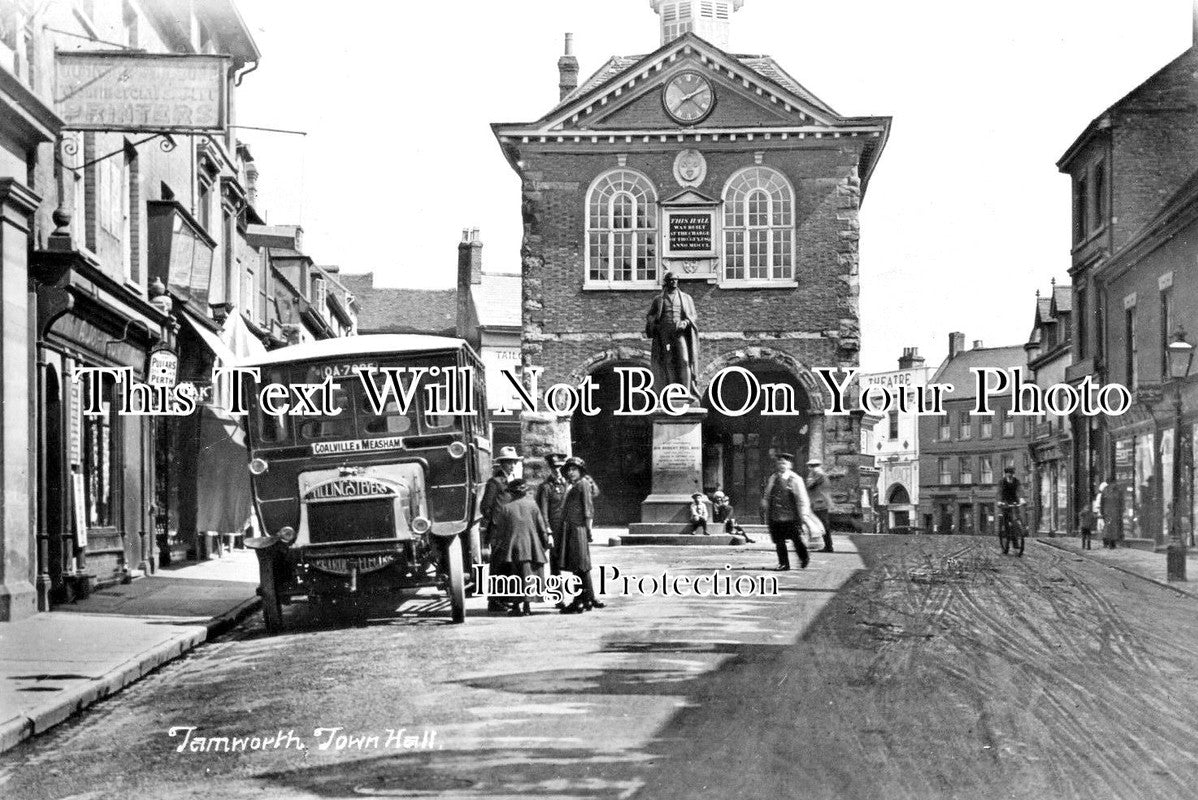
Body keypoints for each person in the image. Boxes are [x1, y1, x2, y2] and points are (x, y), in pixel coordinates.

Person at [488, 478, 552, 616]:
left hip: (513, 548)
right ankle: (527, 606)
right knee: (529, 574)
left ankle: (516, 606)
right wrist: (545, 543)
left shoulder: (505, 508)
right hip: (531, 546)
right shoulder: (533, 505)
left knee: (514, 576)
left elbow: (501, 532)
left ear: (511, 493)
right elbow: (541, 527)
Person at [557, 457, 605, 613]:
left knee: (579, 564)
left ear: (580, 471)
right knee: (578, 565)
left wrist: (588, 529)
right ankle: (586, 598)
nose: (571, 473)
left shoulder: (583, 483)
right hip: (572, 528)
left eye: (574, 470)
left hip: (578, 528)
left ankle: (579, 600)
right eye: (569, 470)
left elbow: (588, 508)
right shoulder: (574, 485)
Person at [644, 271, 701, 397]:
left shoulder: (686, 298)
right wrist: (655, 324)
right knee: (668, 361)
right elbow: (650, 315)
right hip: (665, 333)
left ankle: (685, 392)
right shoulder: (659, 299)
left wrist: (685, 322)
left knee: (685, 360)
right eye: (671, 280)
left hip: (679, 333)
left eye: (675, 279)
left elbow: (693, 315)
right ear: (666, 281)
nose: (673, 282)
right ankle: (672, 390)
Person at [481, 446, 522, 611]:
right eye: (508, 463)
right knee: (498, 566)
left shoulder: (513, 480)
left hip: (511, 530)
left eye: (513, 462)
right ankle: (494, 601)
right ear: (501, 464)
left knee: (508, 565)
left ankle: (505, 598)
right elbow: (486, 506)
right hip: (499, 531)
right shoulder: (495, 482)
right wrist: (495, 522)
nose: (511, 465)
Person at [760, 453, 811, 570]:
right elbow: (767, 494)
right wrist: (765, 502)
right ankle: (783, 563)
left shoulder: (796, 479)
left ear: (790, 465)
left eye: (784, 463)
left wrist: (804, 514)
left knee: (796, 539)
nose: (781, 465)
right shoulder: (773, 478)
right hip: (775, 515)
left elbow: (803, 499)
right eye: (779, 463)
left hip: (791, 516)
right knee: (779, 541)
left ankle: (804, 557)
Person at [806, 458, 834, 552]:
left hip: (819, 503)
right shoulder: (819, 475)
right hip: (818, 502)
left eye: (814, 466)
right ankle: (827, 545)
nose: (812, 468)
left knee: (823, 525)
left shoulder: (819, 475)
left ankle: (828, 546)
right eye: (811, 466)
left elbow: (810, 485)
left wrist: (810, 478)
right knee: (821, 524)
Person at [997, 465, 1022, 543]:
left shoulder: (1016, 481)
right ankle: (1006, 537)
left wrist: (1022, 499)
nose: (1010, 474)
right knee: (1006, 519)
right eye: (1008, 473)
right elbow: (999, 492)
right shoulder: (1002, 481)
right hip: (1005, 502)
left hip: (1014, 501)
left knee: (1016, 519)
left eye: (1011, 473)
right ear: (1005, 474)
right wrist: (999, 501)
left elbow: (1020, 490)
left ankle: (1016, 540)